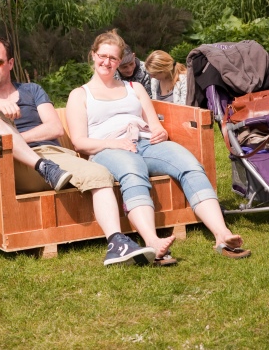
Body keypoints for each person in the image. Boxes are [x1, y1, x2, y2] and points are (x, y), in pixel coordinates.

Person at [0, 35, 156, 267]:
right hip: (14, 165)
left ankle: (116, 243)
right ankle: (42, 167)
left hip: (54, 156)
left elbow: (54, 127)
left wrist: (18, 138)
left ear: (10, 64)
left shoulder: (32, 90)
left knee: (100, 174)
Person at [66, 30, 251, 261]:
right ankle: (153, 242)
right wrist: (115, 143)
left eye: (113, 58)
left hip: (144, 142)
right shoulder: (80, 95)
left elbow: (154, 125)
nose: (107, 62)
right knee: (133, 171)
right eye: (103, 56)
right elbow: (80, 142)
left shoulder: (134, 88)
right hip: (107, 149)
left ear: (120, 60)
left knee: (189, 163)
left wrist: (160, 132)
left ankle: (222, 234)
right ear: (93, 55)